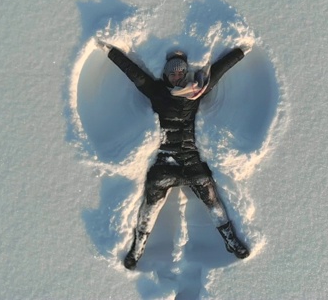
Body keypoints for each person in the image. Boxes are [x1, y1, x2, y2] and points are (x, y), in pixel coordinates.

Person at [96, 39, 251, 270]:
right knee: (150, 205)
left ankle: (231, 240)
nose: (177, 77)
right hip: (165, 162)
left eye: (180, 73)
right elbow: (135, 74)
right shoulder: (157, 92)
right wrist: (111, 53)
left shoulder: (197, 91)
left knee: (212, 198)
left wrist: (240, 52)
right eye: (173, 74)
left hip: (190, 159)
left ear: (186, 73)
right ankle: (137, 249)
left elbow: (218, 71)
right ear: (166, 76)